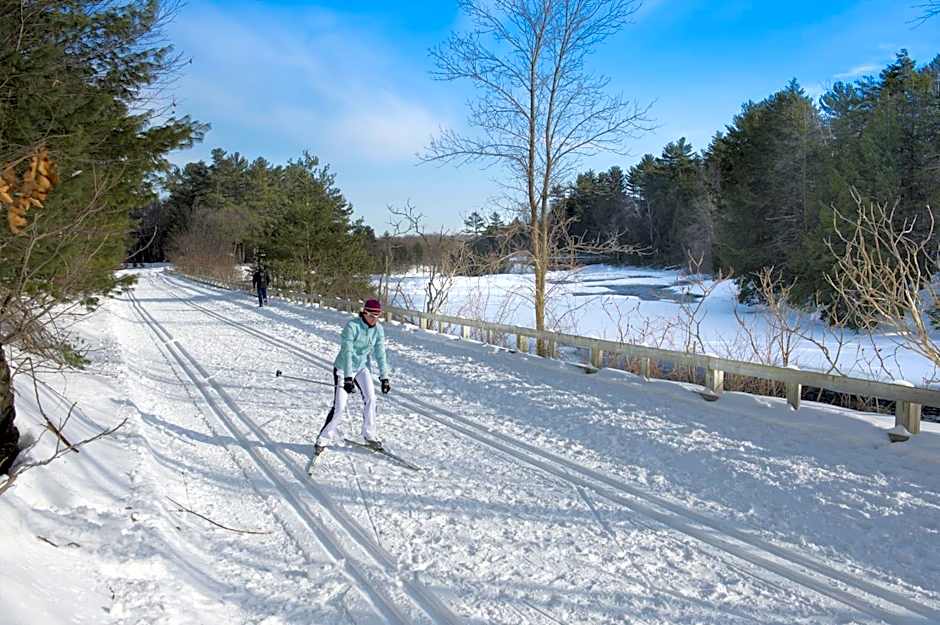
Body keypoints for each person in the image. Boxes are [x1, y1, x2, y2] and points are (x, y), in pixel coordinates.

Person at [315, 298, 390, 453]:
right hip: (343, 368)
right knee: (340, 407)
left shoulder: (378, 330)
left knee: (371, 399)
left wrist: (384, 377)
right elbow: (348, 353)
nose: (374, 319)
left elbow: (380, 353)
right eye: (371, 316)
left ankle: (369, 435)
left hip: (362, 368)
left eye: (377, 316)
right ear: (364, 313)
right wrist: (348, 378)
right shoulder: (352, 326)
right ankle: (323, 438)